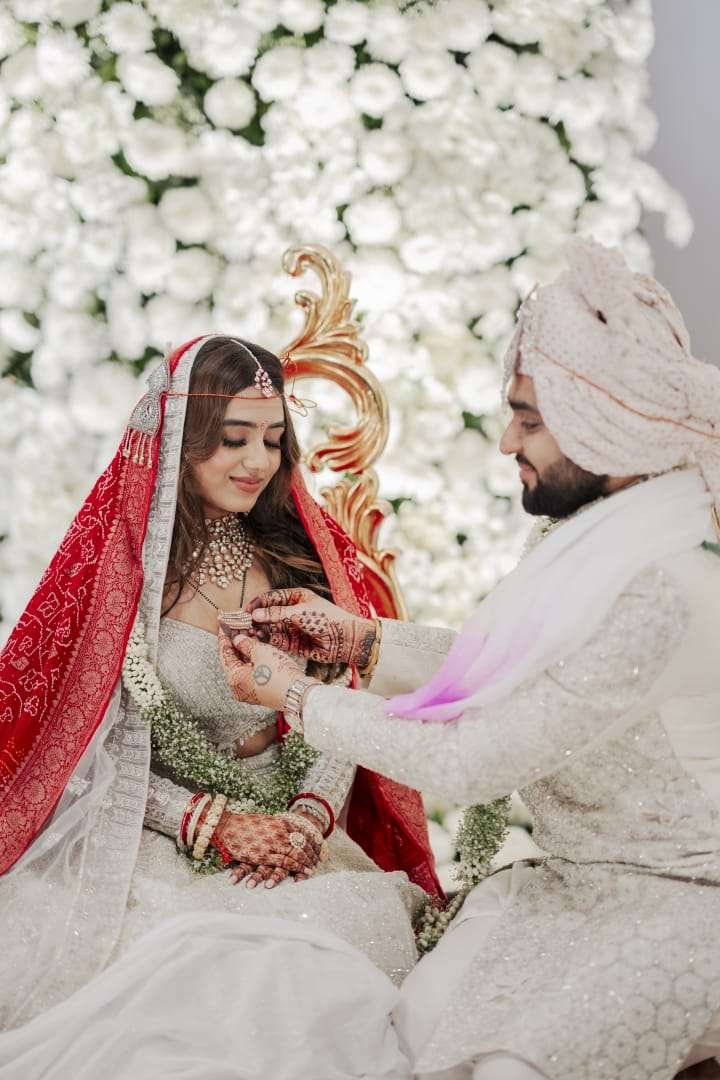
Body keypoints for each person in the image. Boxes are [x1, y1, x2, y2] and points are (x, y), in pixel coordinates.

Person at [222, 240, 720, 1080]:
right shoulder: (605, 538)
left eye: (530, 419)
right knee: (391, 1036)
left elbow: (473, 760)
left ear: (611, 425)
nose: (505, 441)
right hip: (575, 883)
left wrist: (295, 695)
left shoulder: (661, 581)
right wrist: (360, 640)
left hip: (685, 905)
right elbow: (515, 670)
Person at [0, 333, 441, 1080]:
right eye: (234, 439)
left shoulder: (303, 556)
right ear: (182, 438)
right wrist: (210, 823)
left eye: (272, 439)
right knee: (175, 989)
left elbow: (342, 702)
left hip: (295, 837)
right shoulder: (125, 574)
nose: (257, 461)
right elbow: (86, 746)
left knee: (328, 960)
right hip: (154, 835)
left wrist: (306, 822)